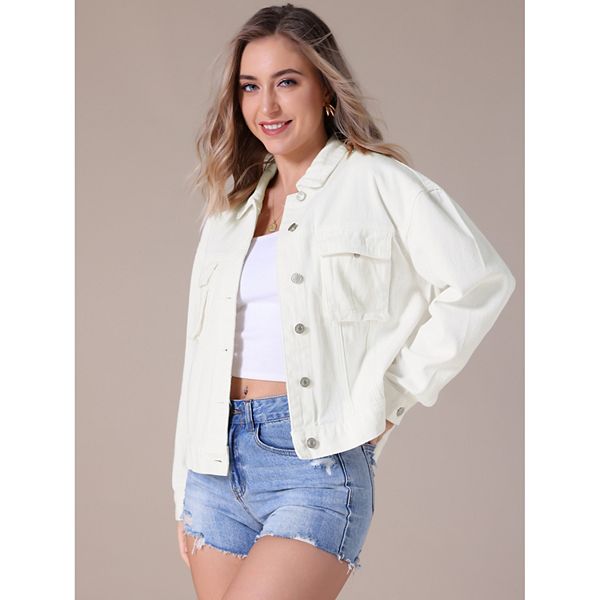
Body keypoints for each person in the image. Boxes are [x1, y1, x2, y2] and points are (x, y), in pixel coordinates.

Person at [172, 4, 516, 599]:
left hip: (313, 465)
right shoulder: (230, 213)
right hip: (213, 468)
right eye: (250, 86)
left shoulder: (377, 183)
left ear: (325, 88)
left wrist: (390, 398)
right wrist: (182, 485)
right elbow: (199, 354)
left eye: (286, 82)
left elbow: (480, 282)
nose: (267, 105)